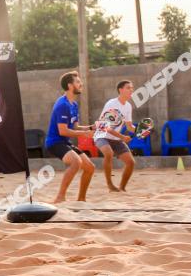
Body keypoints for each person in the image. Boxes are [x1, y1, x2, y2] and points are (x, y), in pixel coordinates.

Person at [45, 71, 96, 203]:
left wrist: (91, 127)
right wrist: (85, 134)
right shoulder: (62, 105)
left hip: (64, 142)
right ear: (70, 85)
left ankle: (81, 200)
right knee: (76, 162)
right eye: (78, 82)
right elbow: (63, 131)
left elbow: (75, 127)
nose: (81, 84)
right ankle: (60, 197)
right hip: (54, 143)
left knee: (90, 167)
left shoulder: (73, 104)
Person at [93, 80, 137, 192]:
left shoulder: (128, 106)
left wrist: (139, 130)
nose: (131, 90)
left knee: (131, 163)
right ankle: (110, 185)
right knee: (108, 153)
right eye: (128, 88)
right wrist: (122, 137)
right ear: (120, 90)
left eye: (132, 88)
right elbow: (105, 126)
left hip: (115, 138)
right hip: (101, 134)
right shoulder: (111, 104)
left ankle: (122, 187)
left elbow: (129, 126)